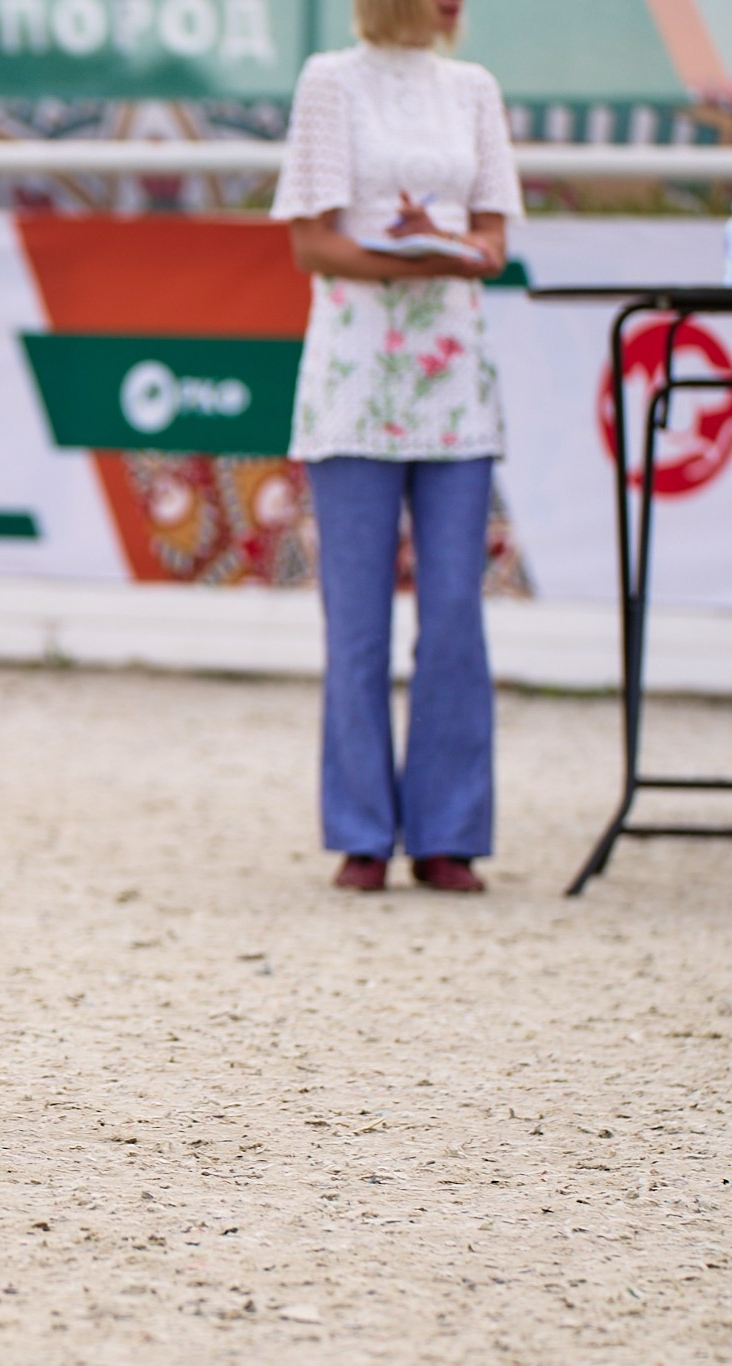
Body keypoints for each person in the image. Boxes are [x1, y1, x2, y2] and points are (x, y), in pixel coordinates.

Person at [272, 0, 520, 894]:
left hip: (455, 383)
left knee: (455, 615)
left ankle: (450, 832)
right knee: (357, 621)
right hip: (354, 378)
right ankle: (363, 832)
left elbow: (495, 238)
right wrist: (433, 256)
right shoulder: (329, 81)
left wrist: (449, 247)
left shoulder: (474, 88)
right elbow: (313, 243)